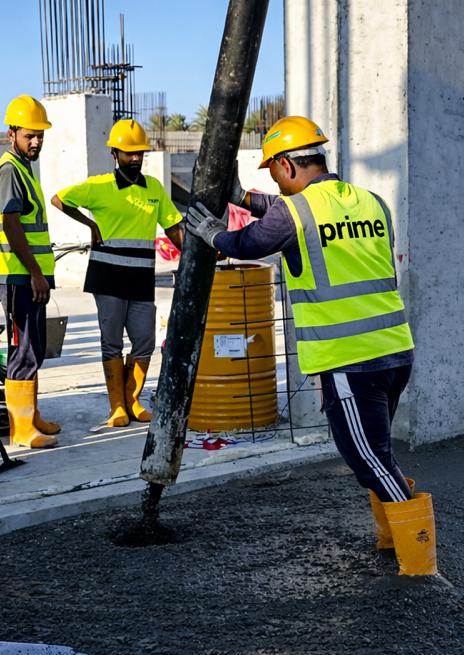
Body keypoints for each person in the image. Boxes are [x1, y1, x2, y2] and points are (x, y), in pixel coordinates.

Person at [182, 116, 433, 577]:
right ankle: (393, 539)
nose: (276, 183)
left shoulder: (293, 213)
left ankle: (420, 565)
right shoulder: (370, 202)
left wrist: (213, 233)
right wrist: (244, 198)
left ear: (287, 165)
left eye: (274, 172)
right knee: (378, 452)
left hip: (348, 360)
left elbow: (251, 241)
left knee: (367, 459)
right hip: (395, 351)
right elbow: (292, 213)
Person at [50, 119, 185, 428]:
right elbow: (59, 199)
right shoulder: (99, 186)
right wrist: (90, 225)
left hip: (141, 278)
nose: (135, 158)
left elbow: (173, 227)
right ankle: (117, 407)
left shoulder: (154, 188)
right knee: (111, 342)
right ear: (115, 154)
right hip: (108, 277)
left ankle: (133, 400)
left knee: (145, 340)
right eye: (128, 153)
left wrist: (196, 252)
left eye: (139, 153)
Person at [0, 95, 60, 448]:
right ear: (11, 134)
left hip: (29, 275)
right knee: (23, 350)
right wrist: (34, 273)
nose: (36, 142)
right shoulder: (9, 171)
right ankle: (20, 429)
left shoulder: (23, 168)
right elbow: (12, 226)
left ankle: (31, 416)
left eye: (40, 136)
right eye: (29, 135)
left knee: (35, 348)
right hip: (19, 277)